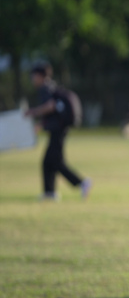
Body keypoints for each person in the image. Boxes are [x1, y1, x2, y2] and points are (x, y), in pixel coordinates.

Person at [25, 63, 92, 201]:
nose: (32, 79)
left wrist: (33, 112)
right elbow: (53, 112)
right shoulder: (52, 87)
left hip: (57, 130)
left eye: (33, 76)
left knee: (55, 162)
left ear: (39, 76)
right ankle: (49, 193)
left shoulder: (45, 89)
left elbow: (51, 106)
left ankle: (82, 183)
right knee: (48, 162)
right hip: (59, 128)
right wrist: (41, 125)